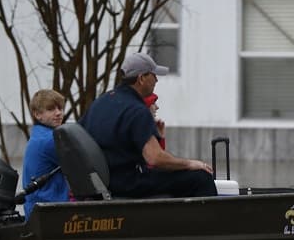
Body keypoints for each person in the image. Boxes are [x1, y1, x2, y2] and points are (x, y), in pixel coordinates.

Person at [80, 52, 216, 198]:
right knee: (201, 178)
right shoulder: (137, 110)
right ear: (141, 78)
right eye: (153, 75)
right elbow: (155, 158)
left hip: (97, 183)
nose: (157, 79)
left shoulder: (100, 102)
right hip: (127, 183)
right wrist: (190, 164)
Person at [22, 89, 70, 219]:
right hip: (50, 213)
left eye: (60, 108)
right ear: (37, 114)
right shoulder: (49, 140)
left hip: (36, 210)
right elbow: (80, 165)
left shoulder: (38, 135)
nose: (58, 113)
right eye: (51, 109)